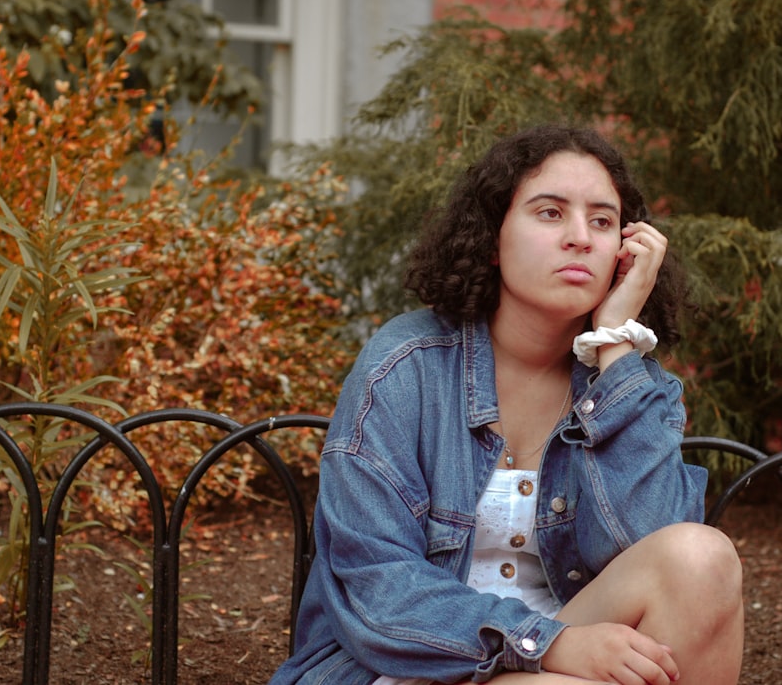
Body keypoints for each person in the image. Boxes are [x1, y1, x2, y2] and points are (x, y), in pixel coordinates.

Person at [270, 124, 744, 685]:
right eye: (549, 213)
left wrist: (615, 343)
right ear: (492, 238)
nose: (581, 238)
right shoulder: (405, 368)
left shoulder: (633, 385)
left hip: (570, 652)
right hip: (407, 665)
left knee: (700, 557)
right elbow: (379, 586)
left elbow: (657, 566)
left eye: (602, 221)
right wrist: (550, 644)